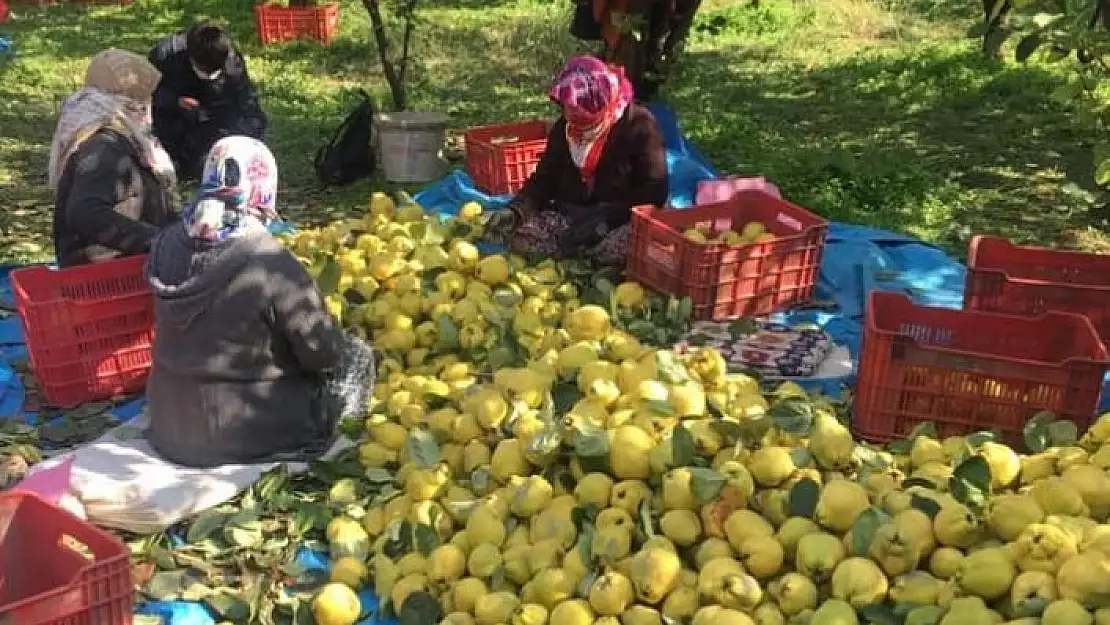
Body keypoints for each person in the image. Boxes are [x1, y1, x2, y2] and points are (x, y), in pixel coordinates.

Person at [144, 136, 374, 468]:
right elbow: (324, 354)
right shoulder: (270, 263)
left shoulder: (165, 243)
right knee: (357, 356)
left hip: (170, 428)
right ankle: (333, 440)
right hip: (247, 435)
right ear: (263, 187)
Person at [487, 55, 668, 266]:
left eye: (578, 112)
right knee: (523, 238)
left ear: (600, 105)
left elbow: (655, 191)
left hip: (621, 218)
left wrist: (605, 220)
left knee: (630, 248)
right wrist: (516, 210)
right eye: (567, 108)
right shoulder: (565, 129)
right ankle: (582, 259)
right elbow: (545, 178)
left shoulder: (639, 126)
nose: (570, 116)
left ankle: (595, 262)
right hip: (573, 215)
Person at [49, 48, 179, 269]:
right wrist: (157, 240)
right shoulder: (103, 148)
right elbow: (85, 213)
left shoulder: (123, 136)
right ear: (131, 102)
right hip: (108, 271)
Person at [148, 21, 267, 180]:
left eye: (215, 72)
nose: (209, 76)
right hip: (176, 120)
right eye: (204, 70)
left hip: (215, 120)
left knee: (253, 122)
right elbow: (145, 96)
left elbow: (247, 103)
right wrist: (175, 101)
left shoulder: (232, 62)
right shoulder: (166, 55)